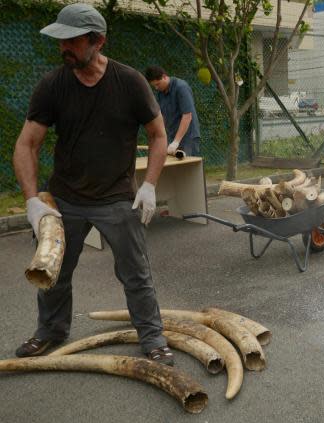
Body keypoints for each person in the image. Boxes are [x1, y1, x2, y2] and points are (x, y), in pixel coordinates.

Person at [12, 4, 174, 366]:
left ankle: (152, 337)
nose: (62, 48)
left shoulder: (129, 82)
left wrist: (148, 185)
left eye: (71, 41)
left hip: (116, 197)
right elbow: (27, 144)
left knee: (135, 273)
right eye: (61, 41)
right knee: (53, 271)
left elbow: (158, 134)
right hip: (65, 198)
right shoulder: (53, 85)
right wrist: (32, 201)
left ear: (97, 41)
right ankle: (50, 331)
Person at [144, 66, 201, 158]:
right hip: (172, 137)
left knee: (187, 168)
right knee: (173, 169)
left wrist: (176, 142)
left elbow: (187, 116)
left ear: (164, 76)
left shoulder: (181, 87)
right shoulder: (160, 93)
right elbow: (161, 117)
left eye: (158, 84)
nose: (156, 88)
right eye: (154, 85)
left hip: (188, 138)